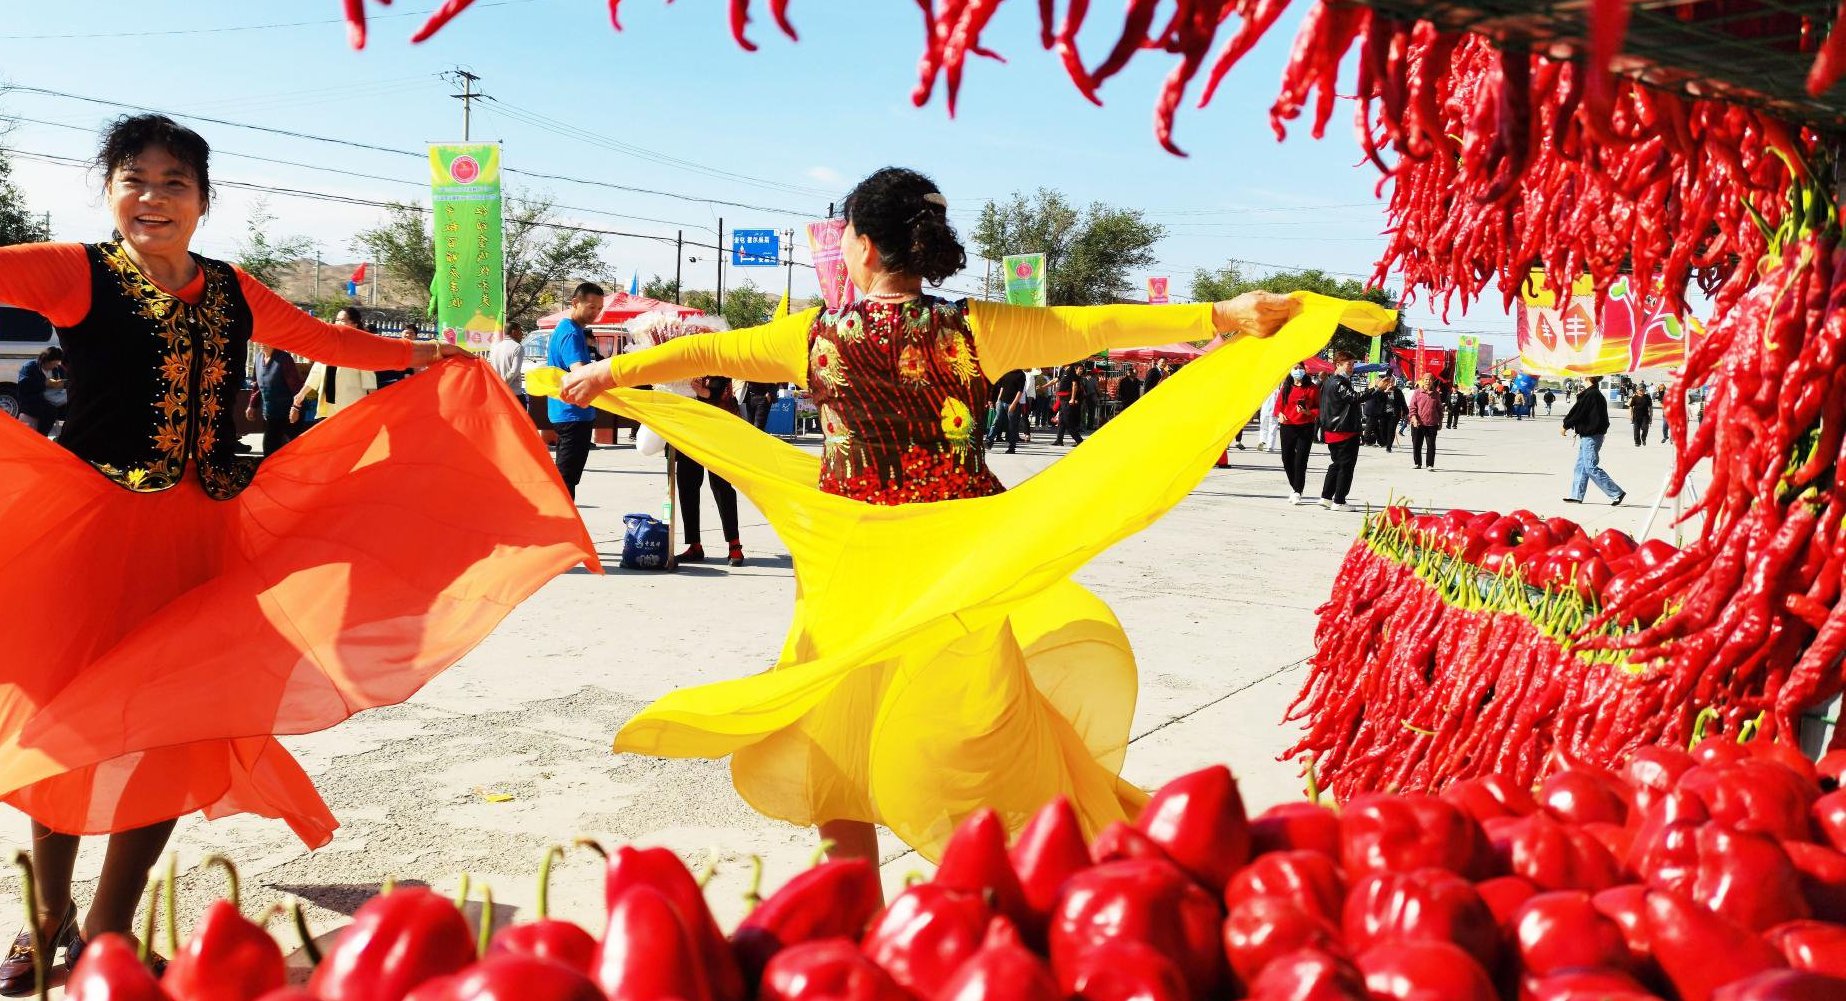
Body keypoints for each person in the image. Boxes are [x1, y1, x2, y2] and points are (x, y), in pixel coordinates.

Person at [0, 114, 596, 992]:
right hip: (93, 537)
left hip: (203, 539)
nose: (153, 198)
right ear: (110, 192)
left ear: (203, 201)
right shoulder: (75, 271)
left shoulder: (232, 289)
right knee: (67, 726)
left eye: (174, 183)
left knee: (175, 732)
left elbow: (326, 342)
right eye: (135, 180)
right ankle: (46, 916)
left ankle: (109, 931)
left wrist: (422, 353)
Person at [553, 166, 1367, 868]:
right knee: (978, 735)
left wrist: (610, 373)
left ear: (861, 246)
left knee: (839, 738)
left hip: (852, 573)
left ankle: (856, 916)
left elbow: (704, 352)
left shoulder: (813, 337)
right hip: (960, 573)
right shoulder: (978, 330)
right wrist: (1218, 316)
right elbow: (1100, 326)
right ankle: (1000, 896)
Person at [676, 374, 744, 566]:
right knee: (687, 485)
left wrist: (702, 391)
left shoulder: (716, 361)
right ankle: (694, 545)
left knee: (721, 486)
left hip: (717, 429)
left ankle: (734, 545)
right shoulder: (683, 361)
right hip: (687, 428)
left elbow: (719, 389)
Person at [547, 282, 605, 498]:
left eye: (599, 308)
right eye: (591, 307)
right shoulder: (571, 333)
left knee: (567, 478)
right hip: (573, 414)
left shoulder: (570, 329)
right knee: (566, 480)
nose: (596, 313)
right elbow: (579, 372)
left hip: (571, 412)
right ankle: (562, 518)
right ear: (575, 303)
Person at [291, 307, 380, 427]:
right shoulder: (328, 345)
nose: (338, 323)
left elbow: (369, 381)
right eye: (337, 320)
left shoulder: (360, 348)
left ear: (354, 324)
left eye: (342, 320)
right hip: (327, 407)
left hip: (350, 408)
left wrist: (376, 407)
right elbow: (316, 372)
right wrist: (301, 395)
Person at [1562, 374, 1626, 506]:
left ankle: (1616, 493)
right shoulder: (1593, 394)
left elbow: (1579, 412)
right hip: (1589, 435)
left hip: (1592, 436)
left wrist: (1566, 425)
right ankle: (1576, 496)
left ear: (1587, 378)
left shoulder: (1592, 395)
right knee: (1581, 466)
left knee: (1590, 467)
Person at [1319, 348, 1365, 510]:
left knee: (1337, 464)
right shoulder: (1339, 382)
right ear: (1338, 364)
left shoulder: (1329, 382)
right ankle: (1339, 500)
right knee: (1346, 466)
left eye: (1353, 364)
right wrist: (1375, 389)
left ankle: (1326, 497)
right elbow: (1354, 398)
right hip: (1344, 430)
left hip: (1333, 430)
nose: (1351, 367)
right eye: (1348, 364)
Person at [1275, 365, 1319, 504]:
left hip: (1305, 427)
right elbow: (1278, 406)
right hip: (1287, 426)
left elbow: (1319, 408)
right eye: (1294, 368)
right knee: (1286, 458)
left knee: (1300, 461)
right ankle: (1295, 486)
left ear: (1304, 370)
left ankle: (1297, 491)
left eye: (1299, 368)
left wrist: (1308, 412)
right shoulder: (1286, 387)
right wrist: (1279, 414)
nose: (1297, 370)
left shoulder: (1312, 388)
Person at [254, 344, 303, 456]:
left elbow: (296, 387)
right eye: (260, 340)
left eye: (265, 340)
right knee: (269, 450)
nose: (261, 343)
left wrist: (296, 408)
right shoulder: (258, 358)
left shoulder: (284, 359)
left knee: (288, 451)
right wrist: (252, 405)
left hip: (288, 414)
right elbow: (257, 384)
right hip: (270, 414)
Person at [16, 347, 70, 436]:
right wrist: (45, 383)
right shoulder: (30, 367)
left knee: (70, 409)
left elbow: (65, 382)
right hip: (31, 400)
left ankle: (65, 438)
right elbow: (23, 386)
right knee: (50, 411)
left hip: (53, 398)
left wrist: (63, 383)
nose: (55, 366)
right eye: (53, 363)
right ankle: (41, 437)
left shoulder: (57, 369)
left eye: (57, 363)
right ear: (45, 360)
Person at [489, 322, 527, 409]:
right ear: (514, 332)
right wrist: (503, 384)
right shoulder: (517, 347)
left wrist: (499, 385)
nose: (522, 334)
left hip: (499, 393)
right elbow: (514, 371)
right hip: (514, 394)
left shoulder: (495, 348)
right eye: (520, 331)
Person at [1409, 371, 1441, 470]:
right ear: (1423, 380)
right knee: (1417, 444)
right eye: (1426, 379)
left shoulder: (1436, 394)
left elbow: (1439, 409)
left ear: (1432, 381)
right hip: (1418, 423)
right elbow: (1412, 407)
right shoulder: (1417, 392)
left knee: (1431, 445)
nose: (1428, 381)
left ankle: (1430, 465)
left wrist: (1440, 421)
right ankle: (1417, 463)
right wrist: (1414, 418)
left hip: (1432, 423)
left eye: (1430, 379)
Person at [992, 367, 1027, 453]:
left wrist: (1014, 404)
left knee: (1012, 426)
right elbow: (1002, 387)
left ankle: (1012, 447)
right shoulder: (1006, 372)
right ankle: (989, 441)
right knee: (996, 421)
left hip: (1012, 403)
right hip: (1002, 401)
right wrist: (998, 400)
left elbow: (1020, 391)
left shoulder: (1021, 374)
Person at [1053, 362, 1085, 446]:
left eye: (1082, 369)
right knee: (1061, 420)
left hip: (1069, 400)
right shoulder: (1063, 370)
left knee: (1068, 421)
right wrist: (1043, 386)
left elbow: (1076, 388)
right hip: (1063, 399)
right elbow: (1056, 380)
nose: (1081, 371)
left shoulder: (1074, 373)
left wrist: (1073, 399)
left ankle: (1079, 441)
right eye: (1080, 369)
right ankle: (1059, 440)